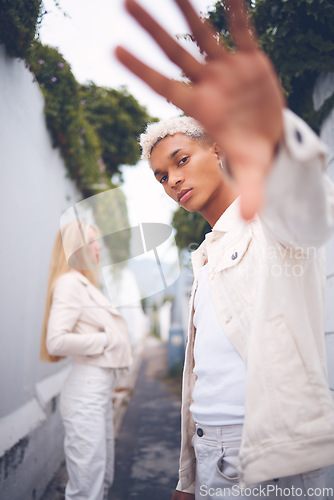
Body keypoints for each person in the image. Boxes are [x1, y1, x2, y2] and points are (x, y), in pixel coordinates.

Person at [115, 0, 334, 499]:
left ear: (217, 146)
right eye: (161, 176)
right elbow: (201, 377)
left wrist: (273, 139)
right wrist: (187, 478)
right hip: (210, 455)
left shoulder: (272, 223)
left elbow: (312, 210)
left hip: (272, 459)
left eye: (180, 160)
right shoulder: (207, 254)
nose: (172, 180)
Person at [40, 222, 132, 500]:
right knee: (86, 488)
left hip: (97, 391)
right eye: (93, 241)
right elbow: (56, 341)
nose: (99, 247)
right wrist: (103, 340)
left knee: (100, 479)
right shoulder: (69, 283)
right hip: (86, 393)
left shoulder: (82, 283)